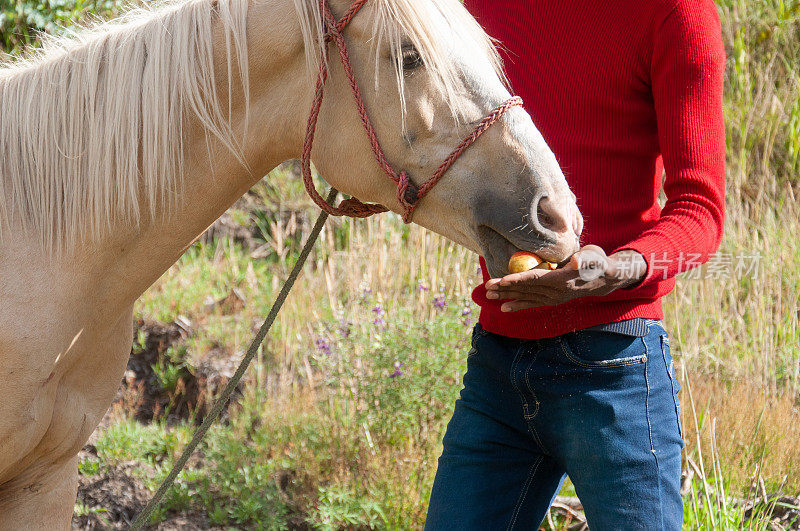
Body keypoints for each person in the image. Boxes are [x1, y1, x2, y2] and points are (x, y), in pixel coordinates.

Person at [425, 0, 726, 529]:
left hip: (615, 369)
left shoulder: (678, 12)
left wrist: (615, 270)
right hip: (498, 366)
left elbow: (700, 213)